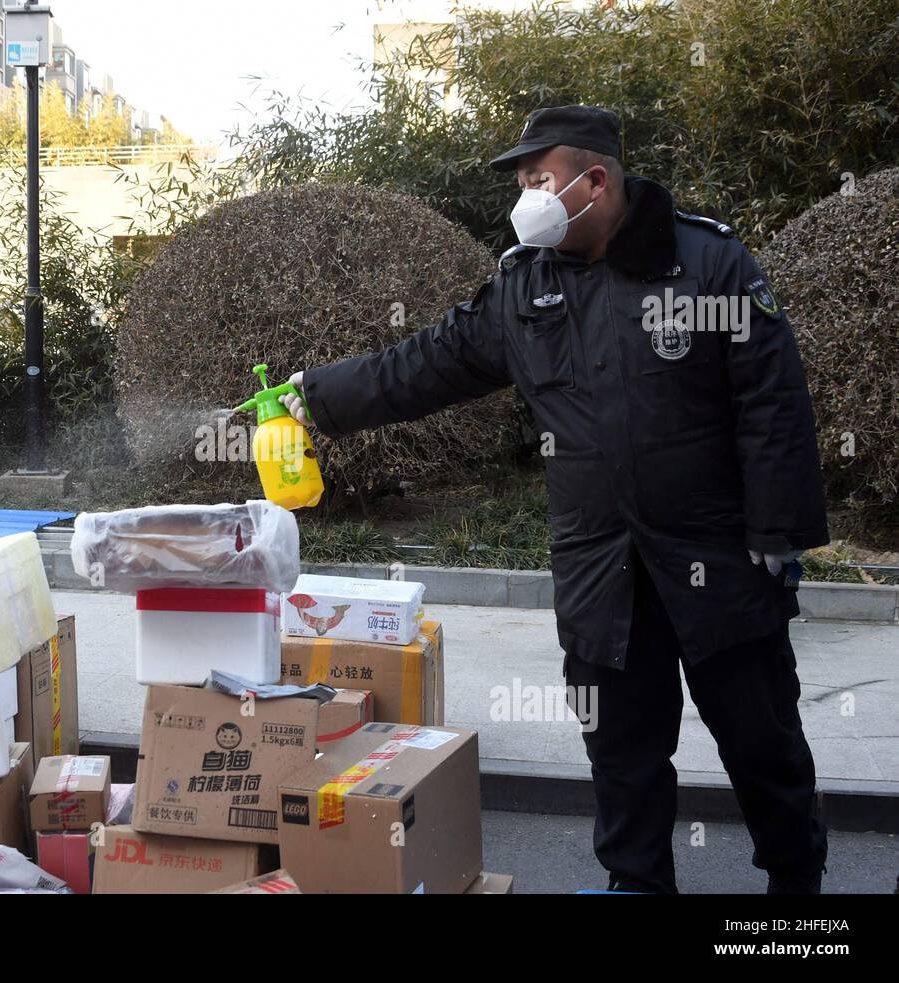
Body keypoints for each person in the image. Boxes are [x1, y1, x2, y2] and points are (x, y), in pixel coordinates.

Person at [280, 105, 830, 894]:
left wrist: (778, 534)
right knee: (622, 751)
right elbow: (426, 363)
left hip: (720, 560)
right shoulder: (524, 287)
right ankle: (636, 883)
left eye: (538, 178)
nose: (525, 196)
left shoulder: (706, 264)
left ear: (594, 179)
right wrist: (320, 394)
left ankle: (796, 884)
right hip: (602, 568)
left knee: (762, 740)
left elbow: (773, 401)